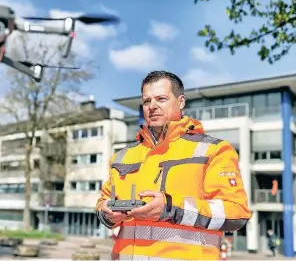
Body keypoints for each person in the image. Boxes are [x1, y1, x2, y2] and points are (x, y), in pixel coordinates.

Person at [95, 71, 251, 260]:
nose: (152, 106)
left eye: (161, 99)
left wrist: (170, 207)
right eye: (146, 101)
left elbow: (236, 214)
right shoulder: (122, 156)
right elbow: (101, 206)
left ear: (181, 101)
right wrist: (108, 214)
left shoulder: (214, 150)